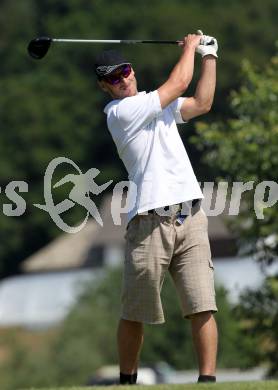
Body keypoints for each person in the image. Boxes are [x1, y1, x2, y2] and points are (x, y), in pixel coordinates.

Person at [94, 32, 218, 384]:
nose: (122, 80)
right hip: (149, 222)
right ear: (105, 86)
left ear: (132, 70)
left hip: (190, 216)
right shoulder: (120, 112)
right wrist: (192, 46)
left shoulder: (155, 102)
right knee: (136, 312)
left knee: (203, 304)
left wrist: (210, 56)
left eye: (125, 71)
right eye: (113, 78)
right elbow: (179, 82)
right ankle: (127, 380)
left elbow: (202, 103)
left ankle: (208, 381)